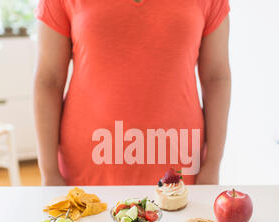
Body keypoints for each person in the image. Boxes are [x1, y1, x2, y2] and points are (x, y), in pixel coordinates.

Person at [34, 0, 231, 186]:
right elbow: (49, 80)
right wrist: (49, 172)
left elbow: (216, 78)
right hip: (87, 169)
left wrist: (212, 165)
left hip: (179, 167)